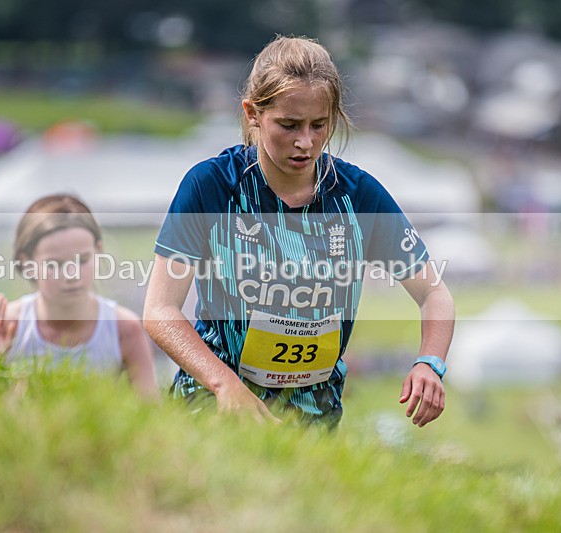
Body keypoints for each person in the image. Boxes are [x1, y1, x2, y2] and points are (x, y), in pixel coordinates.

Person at [143, 36, 454, 427]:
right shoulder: (211, 186)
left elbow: (434, 293)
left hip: (314, 419)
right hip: (212, 406)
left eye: (319, 125)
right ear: (253, 113)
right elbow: (159, 310)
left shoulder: (358, 195)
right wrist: (224, 385)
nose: (305, 142)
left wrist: (430, 362)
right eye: (288, 125)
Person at [0, 194, 158, 398]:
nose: (72, 275)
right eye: (55, 264)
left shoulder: (124, 328)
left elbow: (150, 407)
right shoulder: (6, 327)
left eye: (82, 260)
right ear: (27, 263)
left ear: (98, 251)